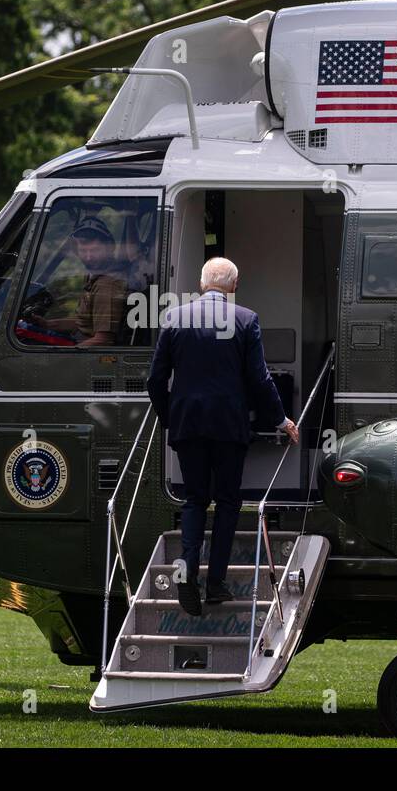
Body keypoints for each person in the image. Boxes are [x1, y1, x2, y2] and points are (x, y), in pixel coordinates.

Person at [146, 257, 299, 616]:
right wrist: (280, 420)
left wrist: (170, 417)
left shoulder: (174, 318)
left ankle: (187, 571)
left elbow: (155, 380)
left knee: (195, 499)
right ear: (234, 285)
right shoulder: (245, 319)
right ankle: (216, 585)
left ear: (202, 284)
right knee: (228, 502)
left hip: (187, 424)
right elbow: (259, 379)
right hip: (229, 425)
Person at [25, 215, 128, 347]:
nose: (89, 257)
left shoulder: (107, 285)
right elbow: (83, 323)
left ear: (109, 248)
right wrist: (47, 324)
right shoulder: (94, 274)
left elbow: (103, 340)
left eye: (95, 250)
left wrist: (66, 354)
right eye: (83, 251)